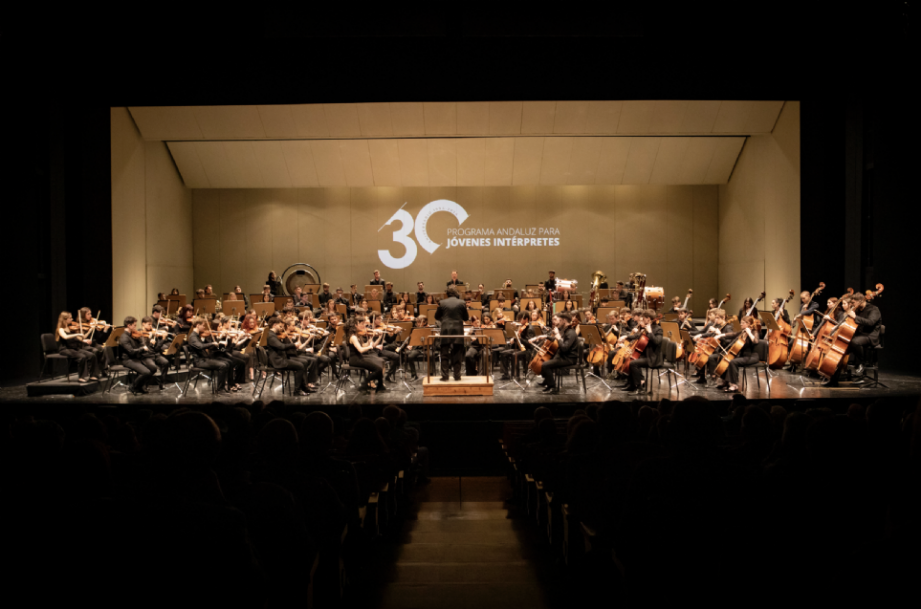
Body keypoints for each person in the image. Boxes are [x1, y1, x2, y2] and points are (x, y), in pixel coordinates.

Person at [823, 293, 880, 387]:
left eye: (853, 303)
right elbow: (849, 322)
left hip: (870, 336)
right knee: (840, 351)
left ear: (861, 301)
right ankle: (833, 380)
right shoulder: (856, 310)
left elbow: (870, 322)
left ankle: (862, 364)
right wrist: (838, 326)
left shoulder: (874, 309)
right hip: (858, 335)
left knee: (855, 341)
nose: (852, 305)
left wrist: (855, 317)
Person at [616, 309, 663, 394]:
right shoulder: (645, 328)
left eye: (644, 318)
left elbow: (657, 342)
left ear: (648, 319)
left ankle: (640, 387)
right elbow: (637, 336)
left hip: (652, 357)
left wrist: (650, 332)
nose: (642, 320)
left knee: (633, 363)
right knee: (628, 358)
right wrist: (625, 337)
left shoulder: (658, 329)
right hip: (645, 355)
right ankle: (631, 385)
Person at [712, 315, 762, 392]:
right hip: (742, 355)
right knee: (724, 357)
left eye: (742, 323)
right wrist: (721, 335)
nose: (741, 324)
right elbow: (733, 334)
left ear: (748, 323)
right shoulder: (743, 331)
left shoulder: (754, 331)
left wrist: (749, 333)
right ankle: (725, 381)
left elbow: (755, 341)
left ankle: (734, 385)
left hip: (751, 356)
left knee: (733, 362)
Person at [532, 311, 578, 394]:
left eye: (559, 320)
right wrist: (546, 336)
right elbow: (557, 340)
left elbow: (564, 348)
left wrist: (559, 337)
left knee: (545, 365)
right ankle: (548, 382)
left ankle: (552, 387)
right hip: (563, 356)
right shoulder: (566, 331)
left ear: (564, 320)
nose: (558, 323)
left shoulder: (571, 333)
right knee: (545, 360)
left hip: (569, 358)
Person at [265, 320, 313, 396]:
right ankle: (297, 391)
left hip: (281, 358)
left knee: (302, 363)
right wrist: (294, 345)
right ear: (274, 325)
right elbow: (281, 346)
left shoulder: (273, 334)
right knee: (300, 366)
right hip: (278, 361)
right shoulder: (271, 336)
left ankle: (304, 387)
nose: (281, 328)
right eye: (280, 326)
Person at [55, 311, 102, 383]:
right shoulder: (60, 329)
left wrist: (88, 334)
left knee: (92, 355)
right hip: (65, 349)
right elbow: (66, 337)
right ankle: (81, 377)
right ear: (65, 319)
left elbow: (81, 338)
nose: (72, 319)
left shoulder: (70, 328)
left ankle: (93, 375)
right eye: (70, 318)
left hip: (74, 348)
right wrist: (77, 334)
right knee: (82, 357)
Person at [187, 319, 232, 393]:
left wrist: (218, 342)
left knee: (227, 363)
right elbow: (201, 346)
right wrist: (213, 343)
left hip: (204, 359)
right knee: (223, 365)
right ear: (198, 325)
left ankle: (223, 387)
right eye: (203, 325)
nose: (204, 327)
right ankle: (220, 389)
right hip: (199, 361)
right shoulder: (193, 337)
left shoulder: (197, 336)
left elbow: (205, 346)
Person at [118, 316, 160, 394]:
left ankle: (141, 386)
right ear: (128, 325)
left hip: (138, 357)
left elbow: (141, 344)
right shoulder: (124, 337)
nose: (136, 327)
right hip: (128, 359)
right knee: (146, 372)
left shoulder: (134, 334)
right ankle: (133, 387)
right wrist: (142, 349)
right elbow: (131, 352)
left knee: (153, 368)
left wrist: (144, 344)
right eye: (134, 325)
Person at [435, 286, 469, 381]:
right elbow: (466, 318)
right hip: (458, 330)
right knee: (457, 354)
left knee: (444, 354)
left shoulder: (442, 303)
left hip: (445, 330)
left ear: (447, 294)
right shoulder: (462, 302)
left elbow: (437, 317)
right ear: (456, 293)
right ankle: (457, 376)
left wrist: (445, 319)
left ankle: (445, 376)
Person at [345, 316, 386, 392]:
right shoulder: (353, 337)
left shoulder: (357, 335)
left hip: (359, 357)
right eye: (362, 324)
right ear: (356, 325)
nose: (364, 326)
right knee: (378, 369)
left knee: (379, 367)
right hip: (355, 359)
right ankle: (364, 384)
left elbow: (363, 346)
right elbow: (360, 350)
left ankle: (380, 385)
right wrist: (370, 347)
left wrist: (370, 340)